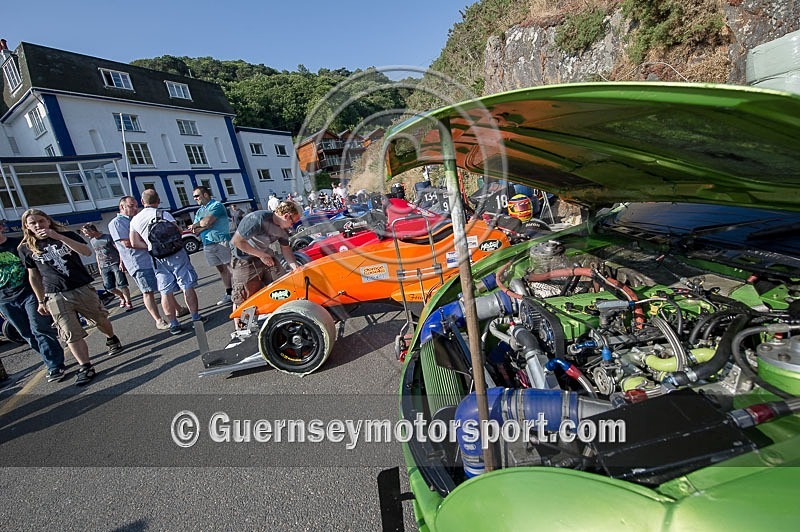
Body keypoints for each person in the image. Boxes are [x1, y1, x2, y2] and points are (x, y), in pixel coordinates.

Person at [18, 209, 123, 386]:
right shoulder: (25, 248)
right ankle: (86, 366)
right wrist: (41, 300)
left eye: (41, 221)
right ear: (26, 226)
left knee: (99, 320)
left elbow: (86, 252)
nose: (38, 225)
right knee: (69, 333)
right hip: (55, 294)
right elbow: (33, 276)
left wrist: (58, 237)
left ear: (48, 221)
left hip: (80, 287)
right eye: (33, 223)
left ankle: (111, 337)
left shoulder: (64, 234)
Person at [0, 220, 67, 382]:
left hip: (29, 293)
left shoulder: (18, 245)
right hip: (5, 299)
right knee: (26, 334)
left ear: (1, 228)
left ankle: (54, 365)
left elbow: (35, 270)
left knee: (39, 328)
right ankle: (52, 356)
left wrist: (43, 296)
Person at [129, 189, 203, 335]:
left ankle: (174, 323)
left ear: (143, 202)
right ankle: (195, 317)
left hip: (157, 257)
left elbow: (133, 242)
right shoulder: (164, 214)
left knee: (165, 290)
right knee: (186, 284)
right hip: (176, 253)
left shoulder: (135, 220)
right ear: (158, 201)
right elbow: (179, 232)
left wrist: (152, 247)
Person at [108, 196, 186, 331]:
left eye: (136, 205)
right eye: (131, 206)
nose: (135, 208)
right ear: (122, 207)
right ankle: (159, 320)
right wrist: (153, 244)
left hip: (152, 258)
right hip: (138, 262)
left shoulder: (135, 219)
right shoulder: (116, 223)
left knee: (164, 287)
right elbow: (126, 243)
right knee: (148, 291)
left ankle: (178, 309)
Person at [230, 201, 301, 318]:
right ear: (286, 216)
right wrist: (261, 255)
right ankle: (242, 328)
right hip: (244, 258)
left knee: (283, 285)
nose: (292, 226)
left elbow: (286, 250)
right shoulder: (257, 219)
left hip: (264, 254)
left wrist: (296, 269)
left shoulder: (284, 229)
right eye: (293, 222)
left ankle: (284, 316)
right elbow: (237, 242)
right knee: (245, 297)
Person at [188, 186, 233, 306]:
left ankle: (242, 289)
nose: (195, 199)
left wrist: (201, 224)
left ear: (206, 195)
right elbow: (195, 231)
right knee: (221, 269)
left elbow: (205, 222)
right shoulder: (199, 211)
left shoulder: (216, 206)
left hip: (221, 241)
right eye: (194, 197)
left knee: (231, 267)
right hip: (208, 244)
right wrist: (202, 225)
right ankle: (229, 293)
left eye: (197, 196)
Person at [81, 223, 133, 311]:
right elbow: (97, 253)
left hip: (115, 263)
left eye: (86, 233)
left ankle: (128, 302)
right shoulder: (92, 241)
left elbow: (119, 250)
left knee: (122, 284)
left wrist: (121, 262)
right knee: (109, 287)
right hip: (104, 266)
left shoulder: (108, 237)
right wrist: (99, 266)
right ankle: (121, 296)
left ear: (92, 230)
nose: (86, 235)